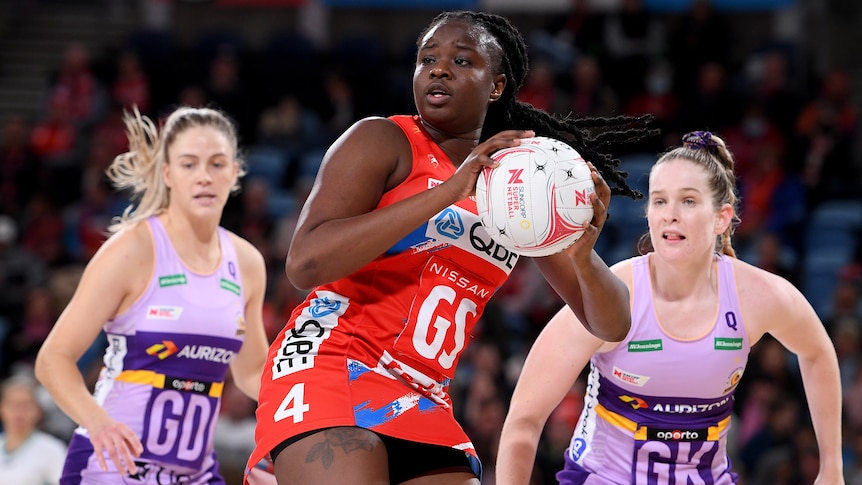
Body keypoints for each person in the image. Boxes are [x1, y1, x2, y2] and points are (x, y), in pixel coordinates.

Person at [245, 10, 656, 485]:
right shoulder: (383, 139)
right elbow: (305, 263)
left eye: (462, 61)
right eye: (427, 59)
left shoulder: (514, 185)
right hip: (332, 362)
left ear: (496, 86)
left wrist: (582, 256)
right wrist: (448, 192)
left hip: (422, 393)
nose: (438, 69)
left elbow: (612, 323)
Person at [496, 131, 844, 484]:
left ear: (722, 218)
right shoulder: (615, 293)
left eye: (688, 201)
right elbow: (524, 419)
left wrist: (831, 467)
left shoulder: (755, 294)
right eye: (660, 201)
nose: (670, 215)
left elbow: (817, 352)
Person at [34, 106, 269, 483]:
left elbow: (255, 372)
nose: (204, 177)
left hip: (194, 471)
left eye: (217, 164)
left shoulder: (247, 262)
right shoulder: (132, 249)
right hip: (115, 465)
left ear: (236, 172)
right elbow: (53, 360)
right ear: (168, 174)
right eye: (189, 164)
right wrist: (99, 424)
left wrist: (302, 422)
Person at [0, 374, 68, 485]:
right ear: (2, 408)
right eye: (12, 404)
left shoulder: (53, 450)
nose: (18, 412)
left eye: (25, 405)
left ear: (37, 410)